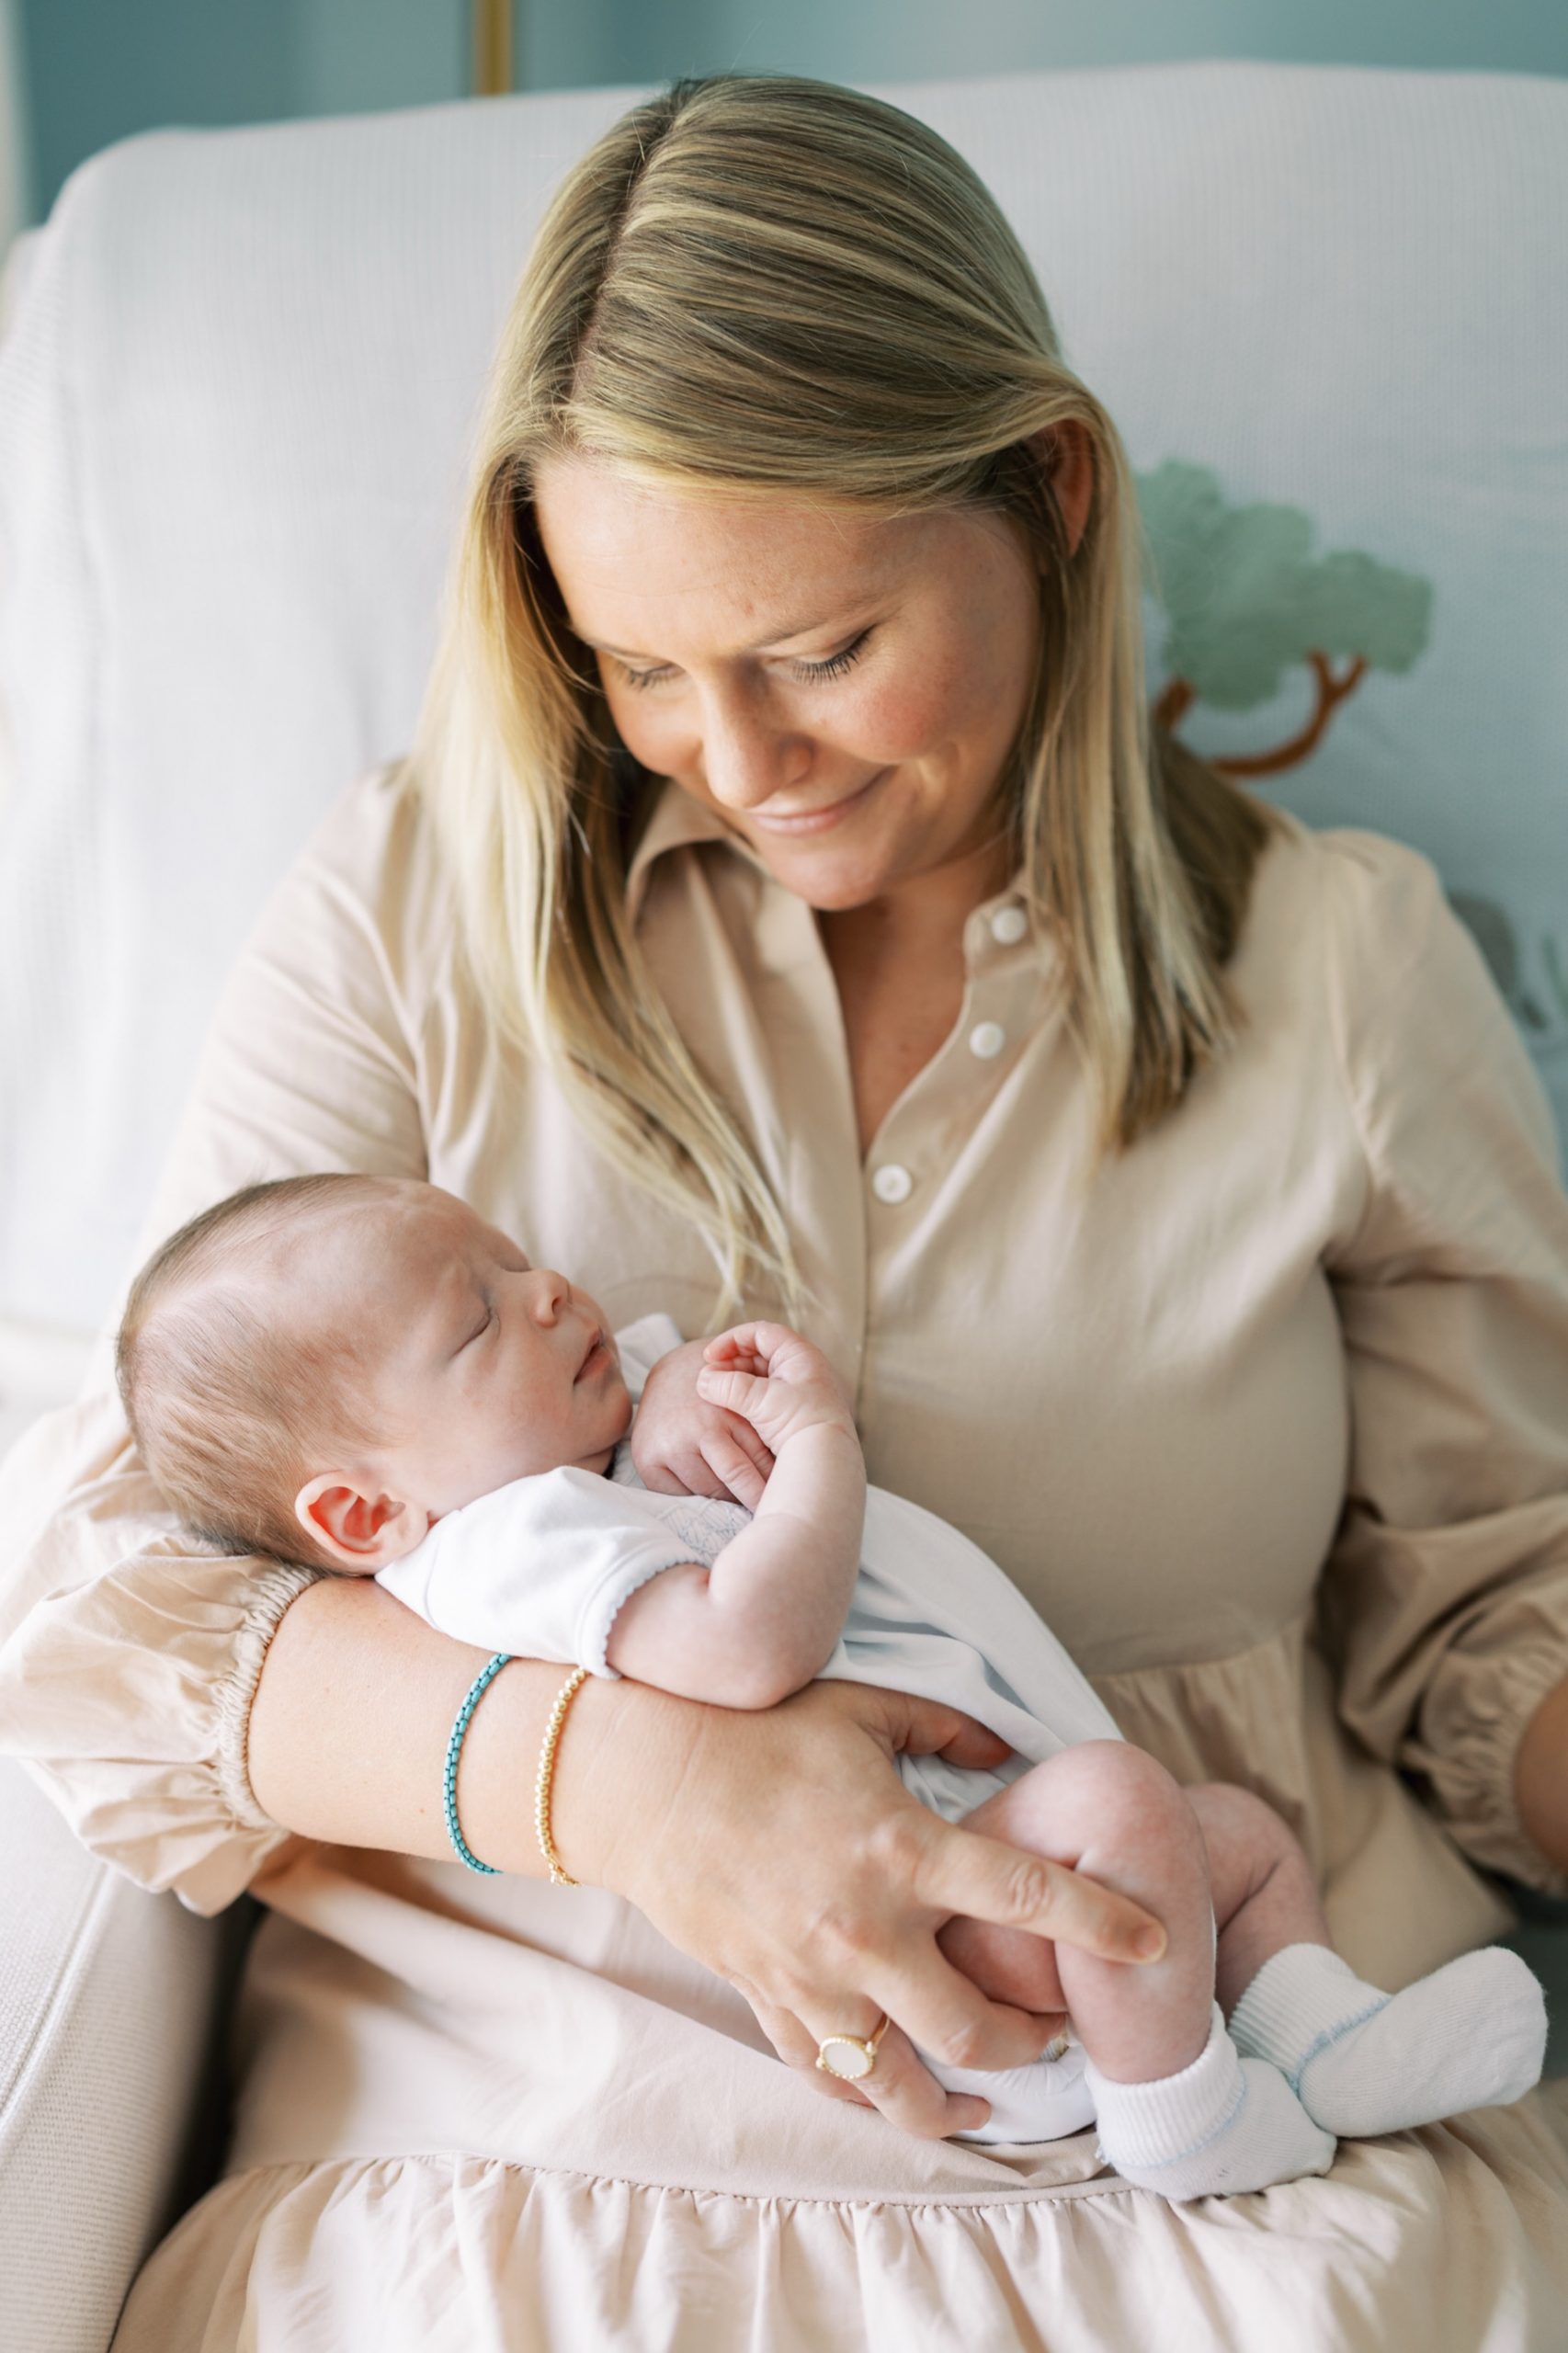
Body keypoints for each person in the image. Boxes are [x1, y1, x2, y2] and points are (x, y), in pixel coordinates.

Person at [2, 68, 1567, 2348]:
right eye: (641, 669)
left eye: (820, 651)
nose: (739, 764)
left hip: (1218, 2128)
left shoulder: (1335, 968)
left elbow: (1499, 1614)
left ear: (1047, 491)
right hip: (535, 2142)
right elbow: (114, 1598)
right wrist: (631, 1780)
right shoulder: (416, 903)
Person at [111, 1168, 1549, 2190]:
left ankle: (1318, 2036)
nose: (541, 1290)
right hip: (922, 1926)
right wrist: (815, 1458)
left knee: (1228, 1833)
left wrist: (688, 1389)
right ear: (363, 1514)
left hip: (975, 1844)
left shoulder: (568, 1462)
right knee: (1123, 1806)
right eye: (477, 1321)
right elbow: (746, 1646)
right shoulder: (506, 1546)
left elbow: (674, 1446)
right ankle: (1181, 2122)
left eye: (513, 1261)